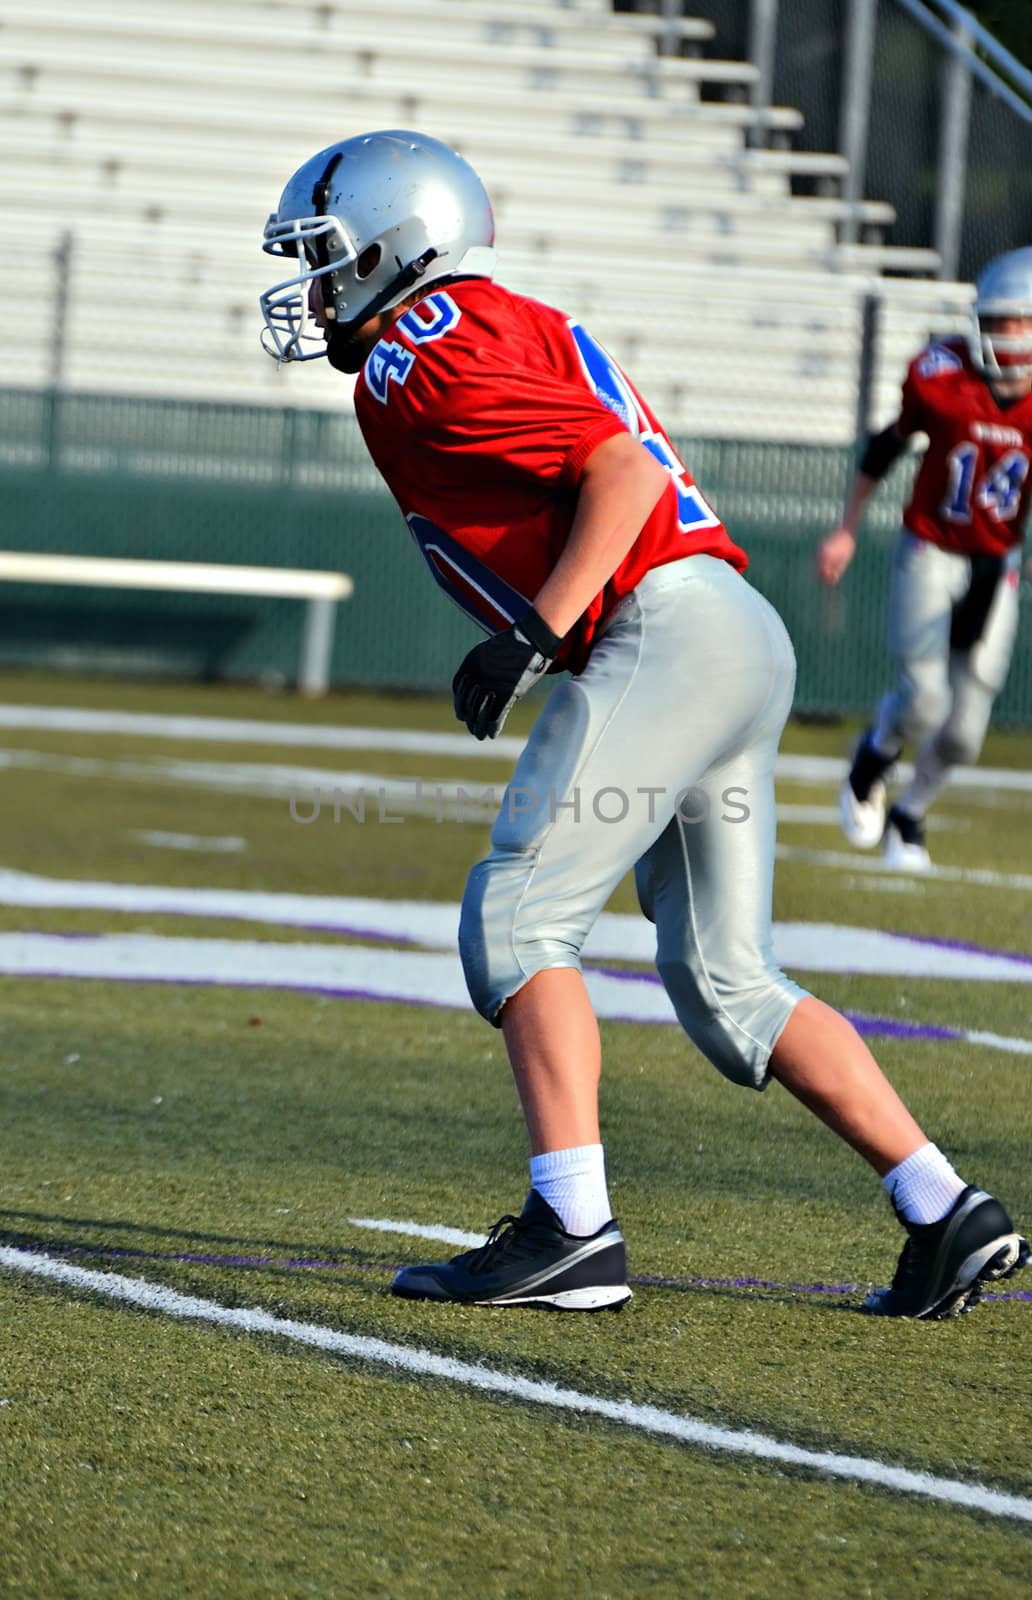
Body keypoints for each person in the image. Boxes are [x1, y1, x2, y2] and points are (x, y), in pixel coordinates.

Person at [260, 132, 1027, 1319]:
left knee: (515, 916)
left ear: (397, 250)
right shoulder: (500, 319)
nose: (315, 294)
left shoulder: (421, 347)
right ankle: (946, 1207)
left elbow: (615, 470)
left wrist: (532, 630)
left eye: (328, 262)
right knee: (728, 985)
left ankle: (572, 1226)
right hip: (725, 627)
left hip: (658, 624)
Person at [817, 249, 1032, 870]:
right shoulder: (945, 376)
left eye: (1015, 322)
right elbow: (888, 444)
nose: (1002, 335)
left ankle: (909, 816)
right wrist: (846, 529)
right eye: (994, 320)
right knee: (926, 700)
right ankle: (874, 753)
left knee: (965, 730)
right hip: (932, 545)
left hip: (998, 560)